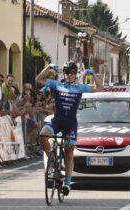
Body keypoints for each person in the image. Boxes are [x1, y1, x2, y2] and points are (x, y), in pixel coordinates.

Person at [36, 61, 102, 196]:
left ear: (75, 74)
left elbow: (100, 88)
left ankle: (67, 184)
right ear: (64, 73)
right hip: (57, 121)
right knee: (43, 135)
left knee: (69, 153)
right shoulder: (57, 84)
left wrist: (93, 74)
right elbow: (39, 79)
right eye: (67, 72)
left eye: (72, 73)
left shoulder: (80, 87)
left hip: (71, 124)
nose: (70, 75)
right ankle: (52, 160)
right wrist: (48, 67)